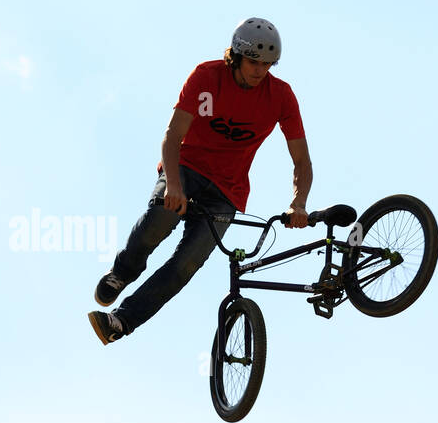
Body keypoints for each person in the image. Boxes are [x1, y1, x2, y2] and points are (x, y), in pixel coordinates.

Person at [89, 17, 312, 344]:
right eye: (253, 61)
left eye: (267, 64)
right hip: (186, 169)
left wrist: (299, 203)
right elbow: (172, 136)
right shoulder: (207, 77)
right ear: (236, 56)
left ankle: (120, 322)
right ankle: (123, 272)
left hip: (226, 192)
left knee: (187, 264)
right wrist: (174, 185)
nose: (260, 70)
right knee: (158, 221)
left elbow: (302, 160)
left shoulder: (280, 96)